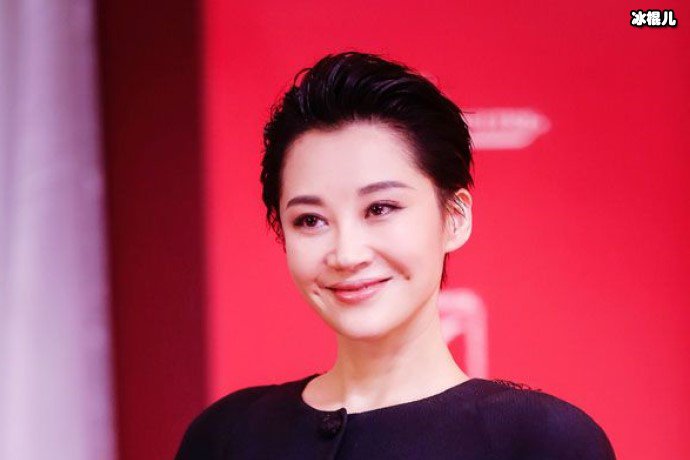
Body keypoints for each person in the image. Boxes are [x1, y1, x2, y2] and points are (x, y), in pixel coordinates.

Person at [175, 51, 615, 459]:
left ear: (455, 217)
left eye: (380, 209)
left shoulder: (540, 441)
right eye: (310, 220)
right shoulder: (226, 436)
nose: (346, 254)